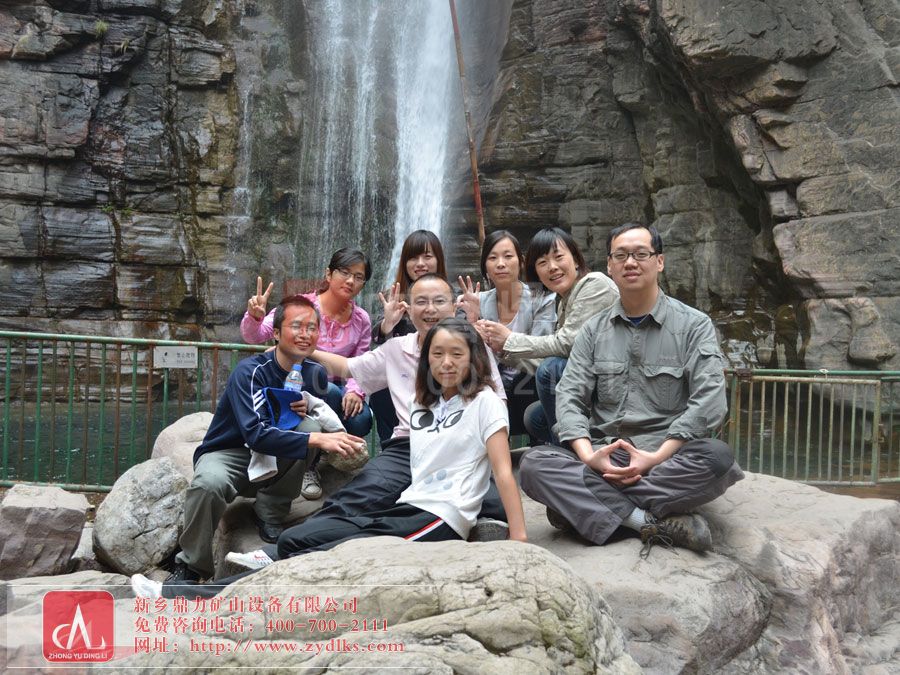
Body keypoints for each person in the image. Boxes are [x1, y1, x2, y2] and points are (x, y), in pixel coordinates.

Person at [518, 223, 745, 557]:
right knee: (534, 464)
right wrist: (589, 456)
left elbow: (709, 401)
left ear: (659, 261)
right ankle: (644, 521)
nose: (630, 262)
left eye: (641, 254)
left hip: (667, 458)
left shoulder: (693, 325)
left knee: (718, 458)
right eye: (621, 255)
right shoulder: (593, 331)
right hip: (606, 456)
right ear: (609, 266)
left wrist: (655, 457)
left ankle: (587, 507)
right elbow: (568, 397)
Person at [166, 295, 366, 583]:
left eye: (312, 328)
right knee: (207, 485)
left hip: (276, 459)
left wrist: (312, 416)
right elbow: (255, 434)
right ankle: (191, 566)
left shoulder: (314, 374)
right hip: (232, 453)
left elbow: (316, 414)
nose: (305, 334)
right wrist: (318, 440)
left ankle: (269, 511)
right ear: (275, 333)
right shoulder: (250, 372)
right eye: (296, 326)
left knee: (309, 426)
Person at [240, 248, 374, 499]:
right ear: (329, 274)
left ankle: (331, 454)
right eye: (344, 272)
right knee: (329, 390)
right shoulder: (301, 305)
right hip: (298, 384)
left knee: (361, 418)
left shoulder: (361, 319)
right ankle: (309, 466)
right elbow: (255, 335)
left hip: (338, 390)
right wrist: (254, 317)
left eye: (358, 277)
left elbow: (361, 361)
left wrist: (356, 391)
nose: (350, 281)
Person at [476, 227, 618, 443]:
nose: (552, 267)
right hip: (589, 384)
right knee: (535, 417)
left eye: (558, 257)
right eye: (542, 263)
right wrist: (502, 349)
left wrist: (509, 339)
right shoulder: (563, 303)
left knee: (549, 370)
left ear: (576, 259)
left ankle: (568, 452)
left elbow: (567, 344)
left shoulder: (594, 284)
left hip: (615, 382)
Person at [457, 230, 556, 438]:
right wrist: (471, 325)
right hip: (490, 386)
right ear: (485, 266)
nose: (500, 264)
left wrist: (504, 345)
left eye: (508, 256)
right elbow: (465, 357)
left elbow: (543, 356)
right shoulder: (476, 301)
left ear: (521, 262)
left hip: (529, 385)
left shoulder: (541, 300)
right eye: (493, 258)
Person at [369, 230, 448, 442]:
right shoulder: (394, 298)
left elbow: (466, 335)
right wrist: (387, 324)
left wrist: (473, 318)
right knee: (380, 389)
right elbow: (377, 340)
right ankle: (392, 446)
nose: (420, 264)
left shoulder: (451, 295)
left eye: (427, 256)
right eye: (413, 258)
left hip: (442, 374)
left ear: (438, 260)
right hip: (402, 376)